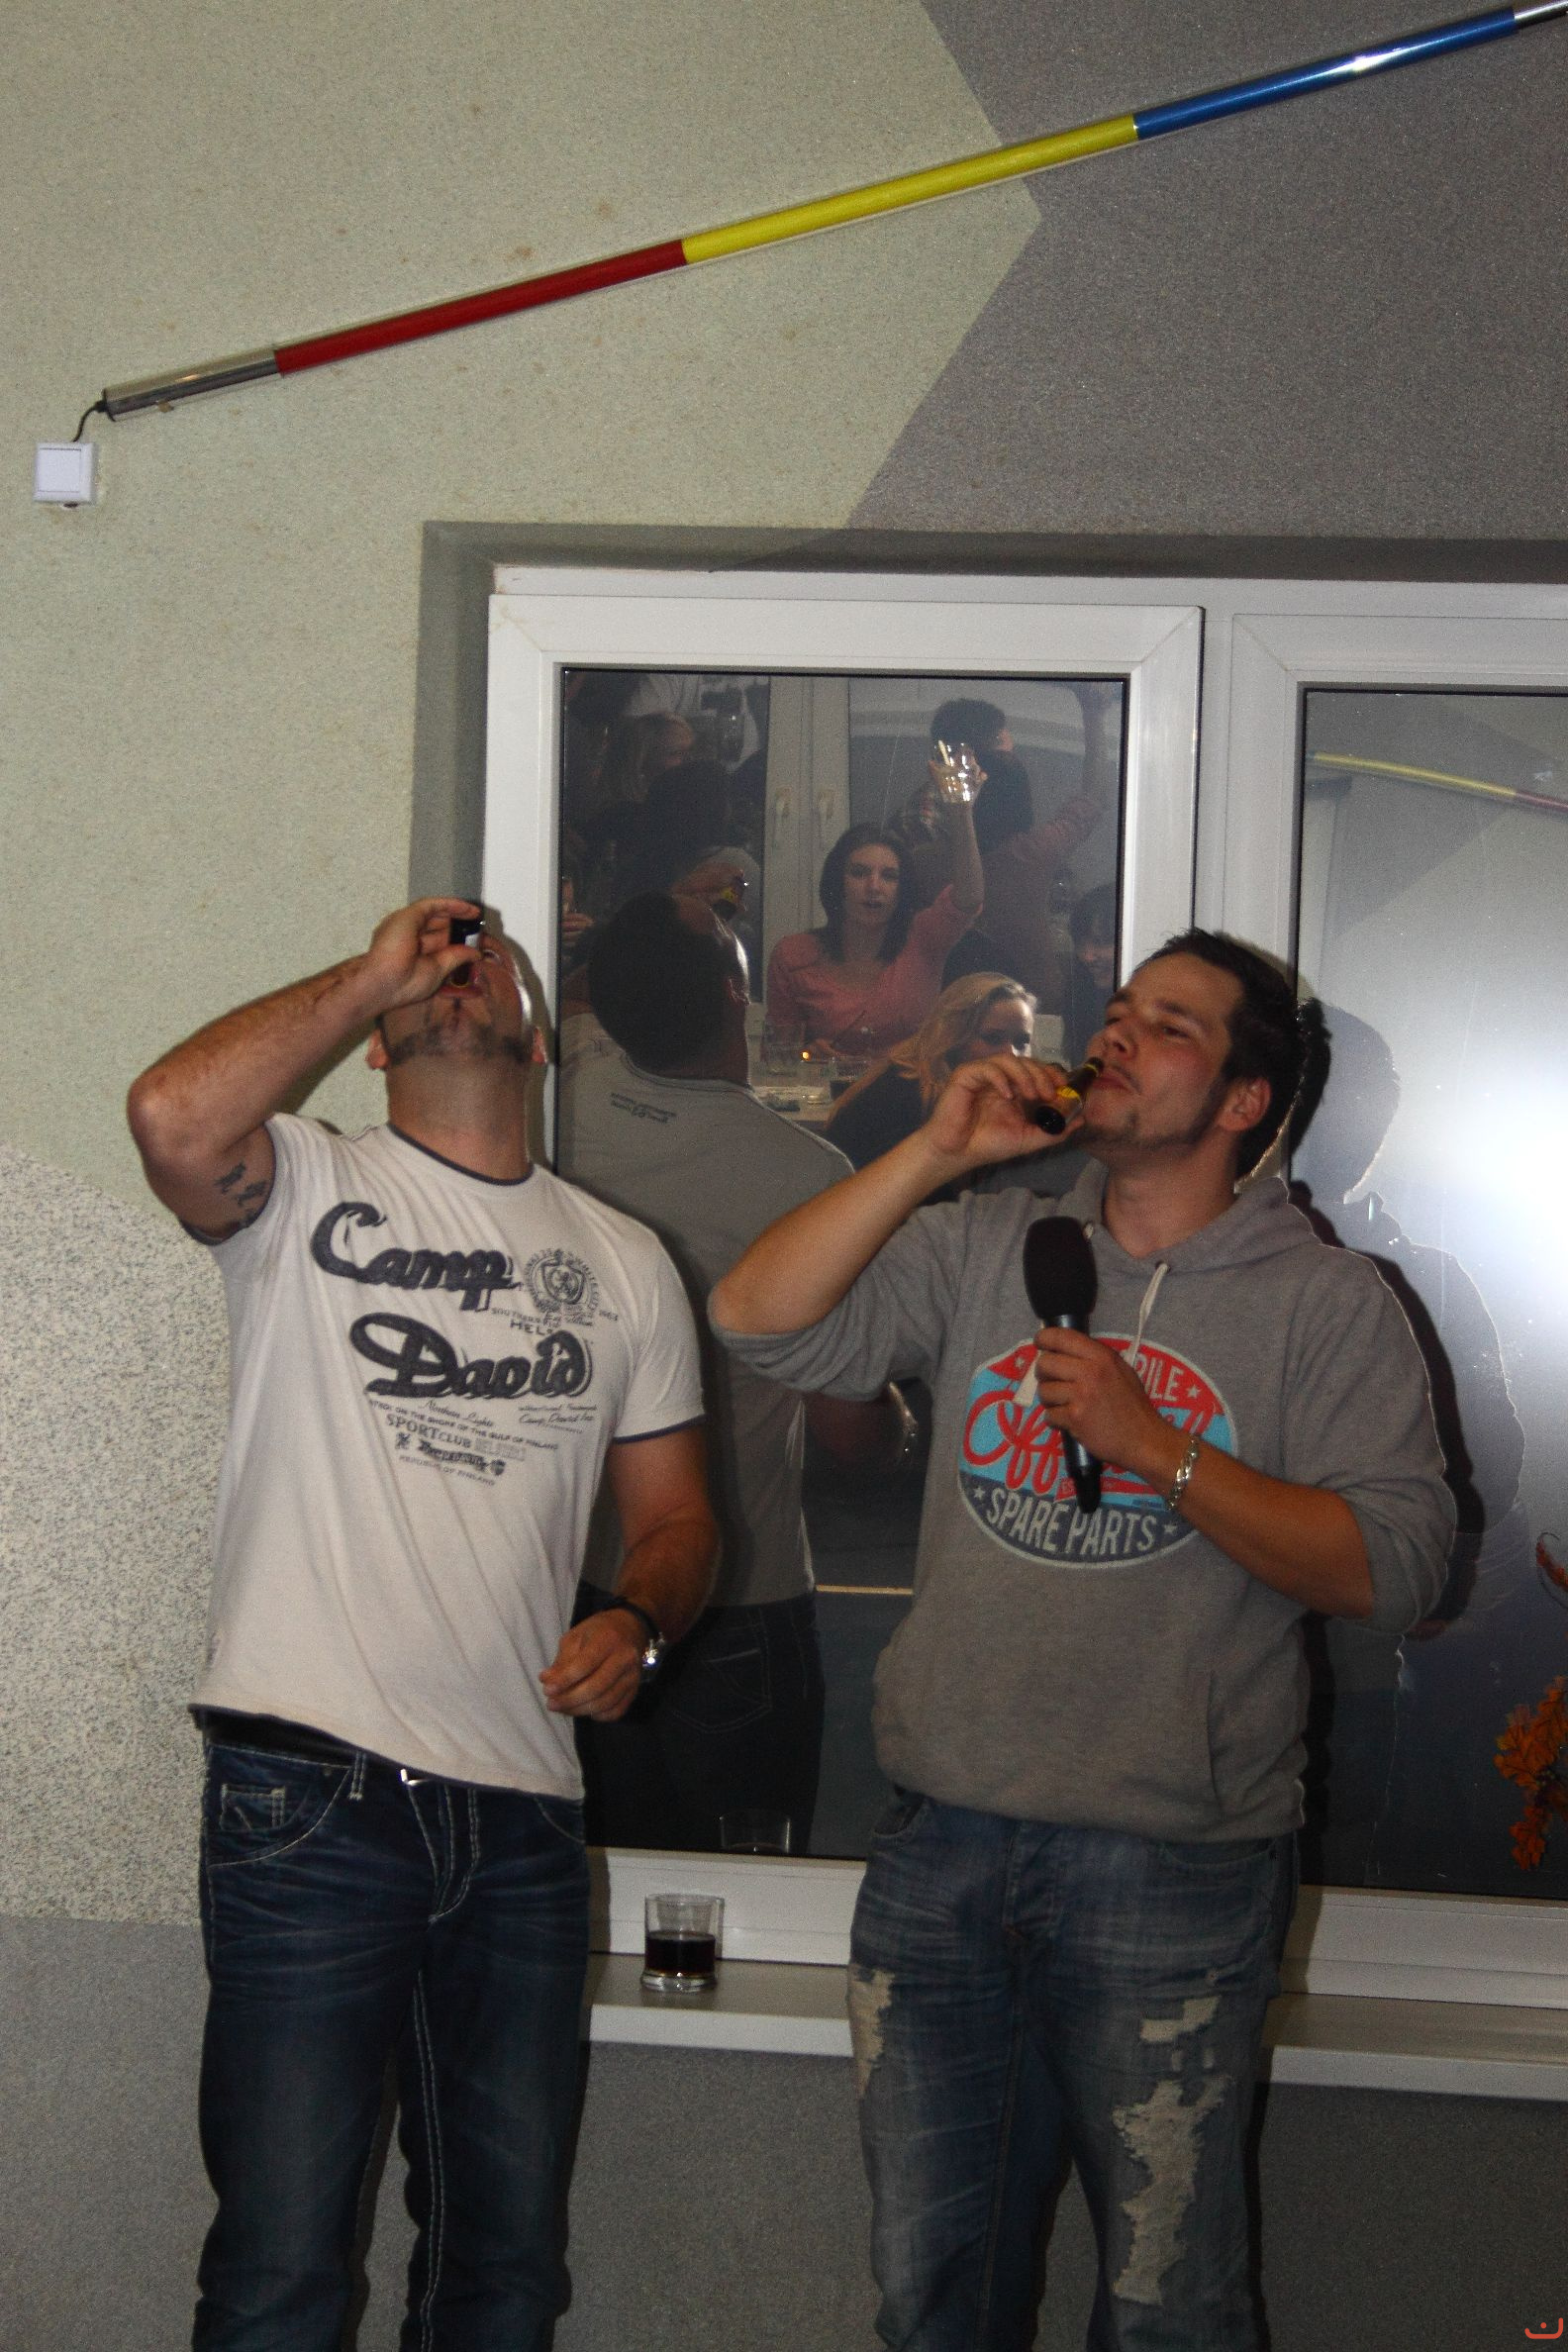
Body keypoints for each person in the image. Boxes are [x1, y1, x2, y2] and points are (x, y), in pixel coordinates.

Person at [712, 930, 1451, 2351]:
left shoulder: (1325, 1304)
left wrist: (1160, 1450)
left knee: (1170, 2311)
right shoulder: (998, 1242)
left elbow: (1399, 1568)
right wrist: (935, 1151)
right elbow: (758, 1320)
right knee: (934, 2303)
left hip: (1172, 1868)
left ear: (1243, 1100)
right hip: (942, 1851)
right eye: (1116, 1010)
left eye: (1168, 1025)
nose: (1115, 1034)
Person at [126, 896, 718, 2352]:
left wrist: (641, 1622)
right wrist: (367, 973)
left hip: (524, 1818)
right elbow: (170, 1119)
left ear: (542, 1033)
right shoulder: (306, 1183)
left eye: (486, 956)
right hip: (309, 1797)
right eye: (433, 964)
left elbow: (681, 1525)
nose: (461, 971)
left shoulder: (623, 1259)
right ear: (376, 1045)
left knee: (503, 2271)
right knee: (280, 2268)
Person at [557, 889, 910, 1851]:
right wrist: (903, 1416)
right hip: (734, 1598)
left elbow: (596, 996)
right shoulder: (803, 1177)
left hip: (571, 1585)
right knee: (742, 1890)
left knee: (595, 1879)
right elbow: (850, 1436)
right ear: (732, 991)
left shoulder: (559, 1107)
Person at [765, 807, 982, 1059]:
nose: (874, 887)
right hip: (827, 1084)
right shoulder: (794, 955)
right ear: (837, 882)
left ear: (902, 889)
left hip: (910, 1083)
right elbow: (778, 1057)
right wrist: (806, 1055)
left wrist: (960, 808)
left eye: (889, 876)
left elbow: (968, 899)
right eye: (859, 873)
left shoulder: (924, 936)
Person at [826, 974, 1036, 1197]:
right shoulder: (904, 1093)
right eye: (993, 1038)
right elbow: (925, 1200)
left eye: (1021, 1042)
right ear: (953, 1037)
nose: (1011, 1054)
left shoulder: (932, 1080)